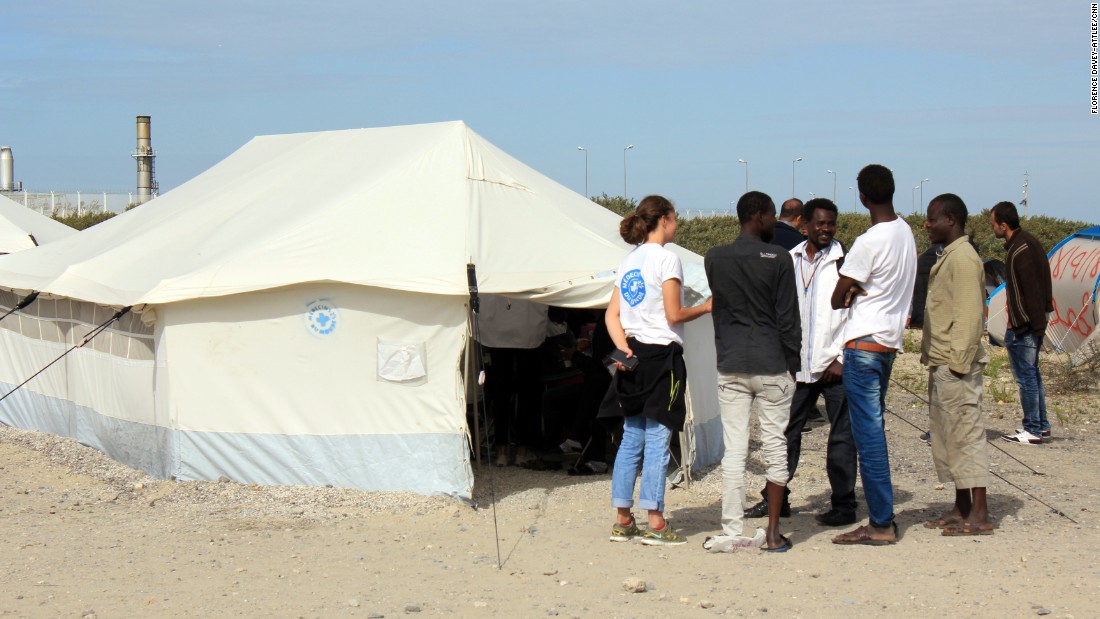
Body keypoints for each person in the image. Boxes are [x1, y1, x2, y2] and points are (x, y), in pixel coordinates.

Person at [602, 195, 712, 546]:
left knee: (631, 435)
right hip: (662, 355)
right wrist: (709, 306)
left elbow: (611, 315)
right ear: (663, 219)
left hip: (632, 356)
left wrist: (623, 349)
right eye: (675, 217)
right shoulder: (668, 259)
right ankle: (656, 521)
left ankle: (622, 518)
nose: (677, 224)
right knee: (659, 438)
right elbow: (674, 315)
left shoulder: (629, 261)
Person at [742, 198, 858, 527]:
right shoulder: (787, 259)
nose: (826, 229)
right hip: (795, 365)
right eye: (820, 223)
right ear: (804, 224)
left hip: (832, 366)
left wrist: (840, 357)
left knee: (841, 437)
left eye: (831, 224)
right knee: (784, 434)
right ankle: (776, 499)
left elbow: (854, 314)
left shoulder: (844, 263)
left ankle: (844, 503)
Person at [704, 191, 801, 553]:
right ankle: (773, 533)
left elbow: (721, 310)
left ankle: (731, 528)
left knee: (735, 450)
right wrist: (795, 363)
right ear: (758, 216)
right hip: (772, 362)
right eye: (772, 215)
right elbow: (788, 317)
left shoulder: (714, 257)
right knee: (776, 447)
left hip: (731, 363)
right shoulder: (778, 258)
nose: (774, 222)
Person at [830, 164, 917, 546]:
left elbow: (837, 297)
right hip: (888, 344)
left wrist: (850, 290)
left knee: (869, 438)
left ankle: (881, 522)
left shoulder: (868, 241)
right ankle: (881, 517)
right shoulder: (906, 233)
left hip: (862, 344)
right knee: (873, 429)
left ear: (861, 196)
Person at [920, 194, 994, 535]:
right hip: (943, 363)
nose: (927, 224)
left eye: (932, 218)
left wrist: (958, 366)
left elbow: (969, 316)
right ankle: (961, 505)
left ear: (950, 219)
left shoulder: (963, 259)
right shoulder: (950, 256)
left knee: (965, 437)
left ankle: (979, 514)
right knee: (949, 439)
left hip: (956, 365)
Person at [991, 201, 1054, 444]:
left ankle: (1033, 429)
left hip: (1025, 326)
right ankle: (1042, 425)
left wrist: (1020, 325)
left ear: (1003, 225)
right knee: (1033, 375)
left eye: (994, 224)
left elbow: (1030, 292)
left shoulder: (1020, 249)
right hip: (1032, 323)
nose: (993, 228)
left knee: (1026, 377)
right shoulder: (1028, 242)